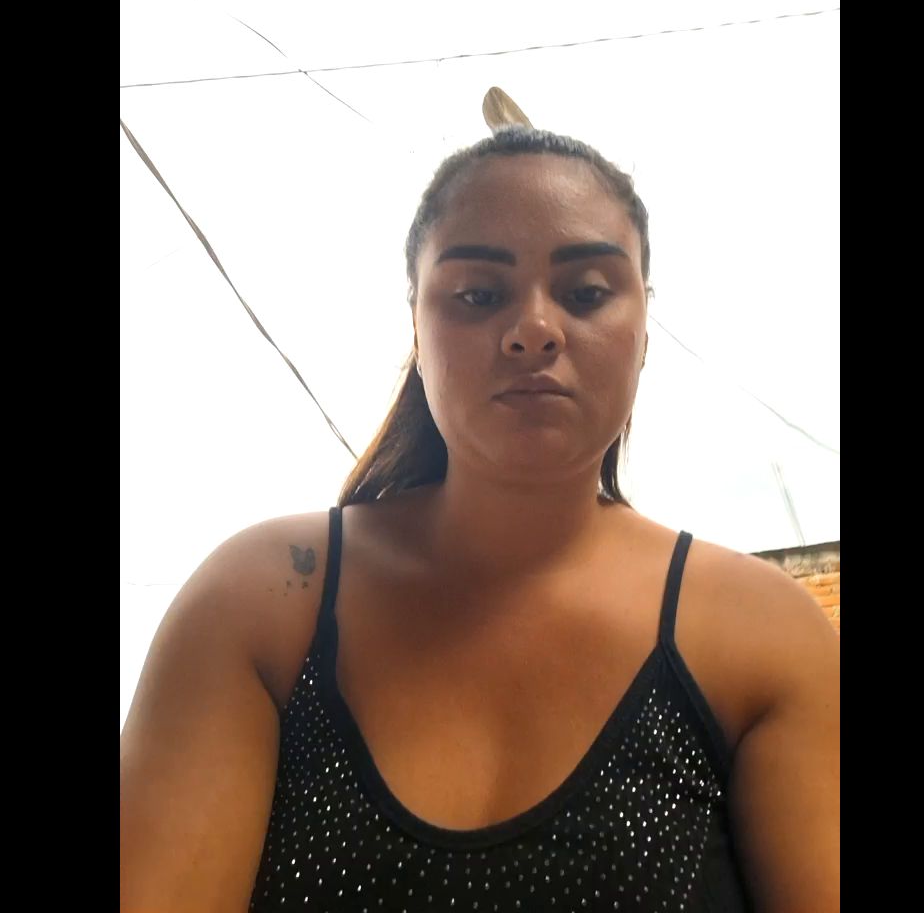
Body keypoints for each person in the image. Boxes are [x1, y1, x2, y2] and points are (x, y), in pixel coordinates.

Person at [120, 126, 840, 913]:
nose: (534, 328)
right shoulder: (262, 603)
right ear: (417, 325)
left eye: (586, 292)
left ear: (643, 327)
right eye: (478, 295)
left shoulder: (763, 635)